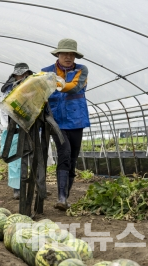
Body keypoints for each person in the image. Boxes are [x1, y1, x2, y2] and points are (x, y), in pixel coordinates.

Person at [41, 39, 90, 211]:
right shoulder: (45, 72)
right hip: (56, 120)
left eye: (71, 54)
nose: (68, 57)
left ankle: (65, 197)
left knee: (73, 158)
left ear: (75, 56)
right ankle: (61, 197)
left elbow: (75, 87)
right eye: (65, 54)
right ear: (58, 54)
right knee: (64, 153)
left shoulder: (81, 70)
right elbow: (40, 92)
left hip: (76, 119)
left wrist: (56, 84)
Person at [0, 63, 33, 199]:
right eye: (20, 75)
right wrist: (10, 125)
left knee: (34, 158)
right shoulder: (8, 92)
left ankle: (34, 185)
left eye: (25, 75)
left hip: (31, 128)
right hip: (14, 129)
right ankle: (17, 188)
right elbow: (4, 110)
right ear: (14, 76)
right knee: (15, 159)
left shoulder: (33, 90)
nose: (22, 77)